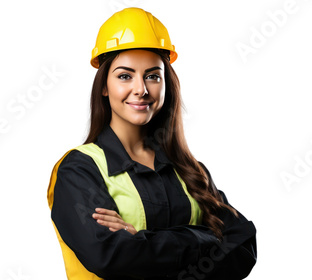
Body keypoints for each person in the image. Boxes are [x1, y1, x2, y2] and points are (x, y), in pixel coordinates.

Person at [47, 7, 257, 280]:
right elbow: (112, 258)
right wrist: (207, 238)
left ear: (166, 84)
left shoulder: (191, 171)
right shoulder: (78, 170)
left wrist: (145, 240)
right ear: (104, 86)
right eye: (125, 75)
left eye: (153, 75)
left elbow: (244, 249)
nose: (141, 89)